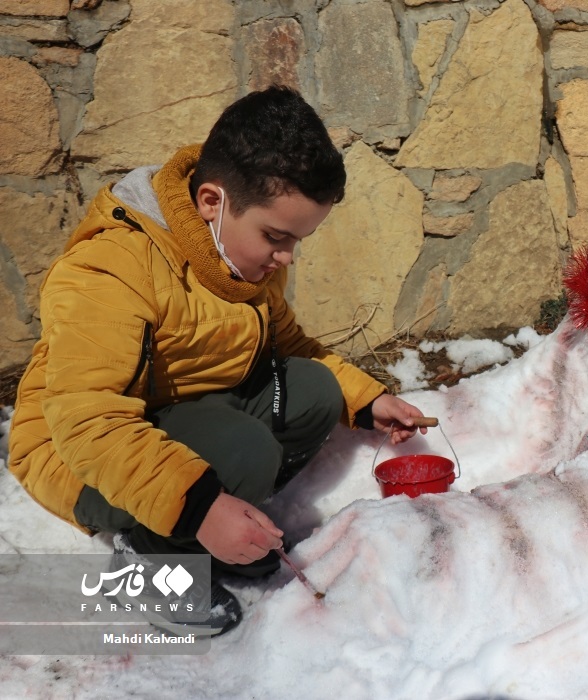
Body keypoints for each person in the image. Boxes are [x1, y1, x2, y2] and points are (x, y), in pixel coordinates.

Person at [7, 86, 426, 637]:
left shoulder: (238, 254)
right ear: (212, 201)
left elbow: (291, 346)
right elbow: (86, 421)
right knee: (246, 451)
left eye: (297, 240)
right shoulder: (109, 269)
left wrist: (366, 399)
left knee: (316, 390)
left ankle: (215, 518)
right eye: (276, 237)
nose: (286, 257)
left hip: (183, 415)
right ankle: (153, 559)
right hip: (78, 452)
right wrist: (201, 508)